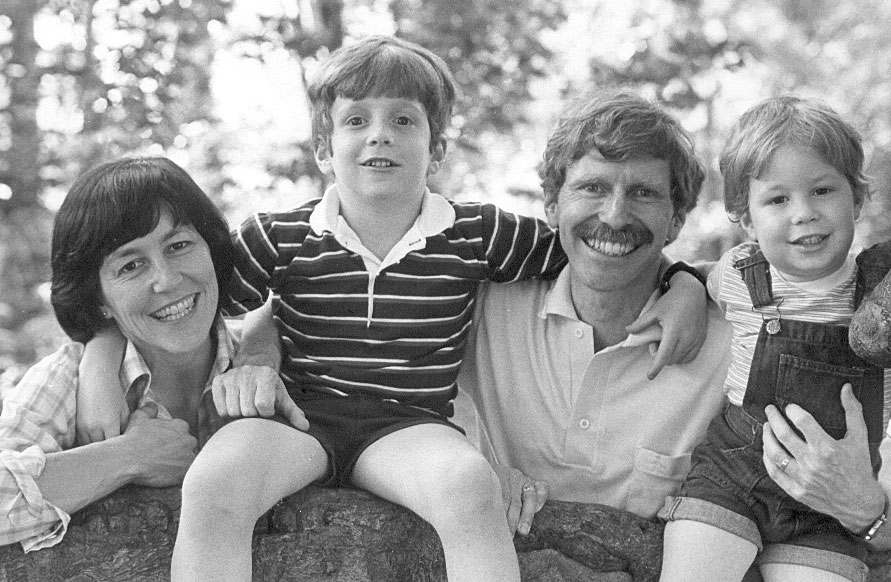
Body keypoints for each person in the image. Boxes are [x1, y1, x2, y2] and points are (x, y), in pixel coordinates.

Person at [76, 41, 705, 582]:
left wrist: (684, 283)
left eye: (404, 120)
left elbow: (597, 247)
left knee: (469, 487)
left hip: (407, 426)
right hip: (300, 418)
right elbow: (191, 306)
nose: (380, 134)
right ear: (324, 149)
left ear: (437, 148)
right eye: (356, 120)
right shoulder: (280, 236)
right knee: (216, 480)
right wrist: (102, 352)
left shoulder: (477, 234)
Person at [453, 89, 731, 533]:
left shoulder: (730, 340)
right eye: (593, 187)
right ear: (552, 204)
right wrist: (468, 465)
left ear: (676, 220)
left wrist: (689, 280)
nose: (615, 216)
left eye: (643, 193)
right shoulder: (483, 300)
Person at [657, 96, 891, 582]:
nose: (804, 213)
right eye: (778, 199)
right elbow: (693, 276)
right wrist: (680, 285)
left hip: (830, 511)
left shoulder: (878, 298)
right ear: (746, 218)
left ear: (857, 199)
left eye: (823, 190)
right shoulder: (739, 274)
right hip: (732, 476)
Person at [0, 157, 239, 552]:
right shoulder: (71, 378)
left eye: (179, 245)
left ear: (211, 249)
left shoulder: (265, 356)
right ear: (99, 299)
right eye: (130, 266)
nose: (167, 280)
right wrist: (130, 455)